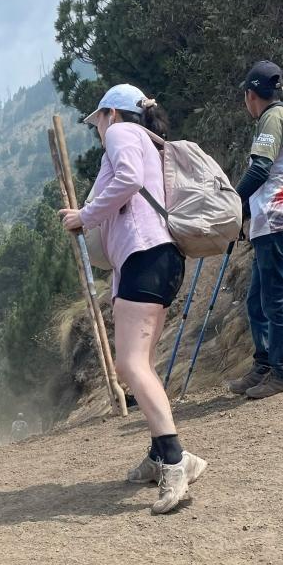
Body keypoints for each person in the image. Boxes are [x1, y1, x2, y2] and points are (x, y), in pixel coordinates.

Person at [60, 82, 206, 515]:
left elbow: (126, 180)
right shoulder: (151, 142)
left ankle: (176, 461)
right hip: (162, 258)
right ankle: (159, 454)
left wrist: (84, 215)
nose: (97, 129)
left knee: (129, 365)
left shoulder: (123, 133)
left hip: (145, 257)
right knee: (142, 363)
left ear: (111, 113)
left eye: (98, 120)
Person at [227, 60, 283, 400]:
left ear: (251, 95)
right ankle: (264, 365)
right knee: (257, 301)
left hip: (279, 220)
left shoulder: (273, 118)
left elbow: (261, 168)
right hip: (276, 219)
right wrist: (245, 212)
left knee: (275, 300)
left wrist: (232, 202)